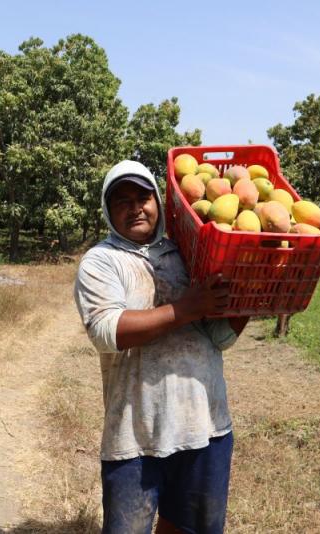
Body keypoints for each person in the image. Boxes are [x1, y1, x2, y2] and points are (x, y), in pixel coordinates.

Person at [74, 160, 249, 534]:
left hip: (205, 428)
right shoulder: (101, 261)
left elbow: (219, 338)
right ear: (108, 211)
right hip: (136, 436)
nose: (135, 207)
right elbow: (107, 331)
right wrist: (186, 308)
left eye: (143, 197)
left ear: (158, 202)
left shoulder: (188, 254)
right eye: (122, 201)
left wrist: (250, 294)